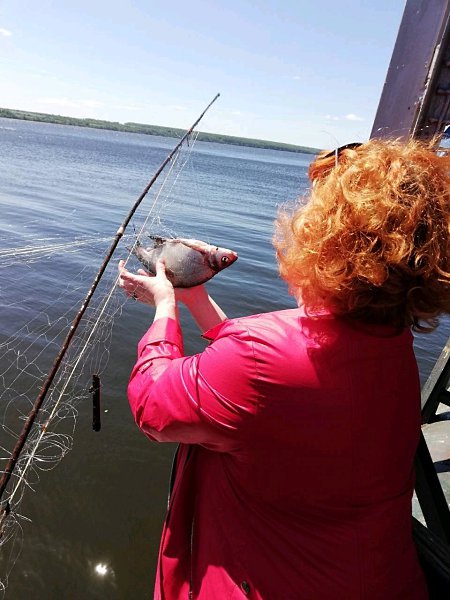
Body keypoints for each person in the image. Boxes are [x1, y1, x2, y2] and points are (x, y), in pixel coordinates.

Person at [118, 137, 450, 600]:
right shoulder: (390, 345)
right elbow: (260, 385)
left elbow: (153, 405)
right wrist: (194, 298)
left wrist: (164, 308)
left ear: (330, 242)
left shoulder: (261, 359)